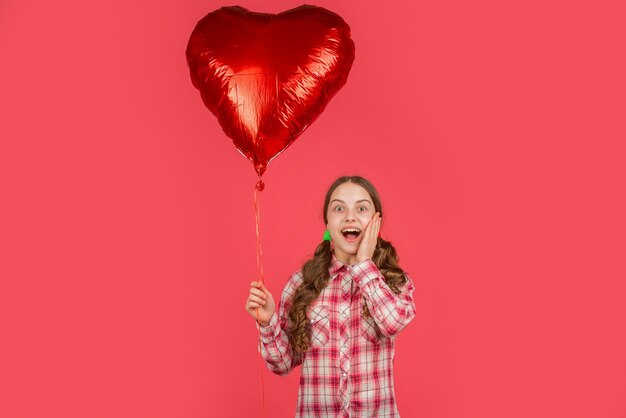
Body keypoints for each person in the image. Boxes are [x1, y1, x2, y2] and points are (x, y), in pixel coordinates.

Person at [245, 175, 416, 417]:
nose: (350, 216)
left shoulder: (393, 281)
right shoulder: (301, 283)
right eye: (338, 208)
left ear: (377, 221)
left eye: (362, 208)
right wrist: (267, 321)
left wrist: (364, 265)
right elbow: (282, 364)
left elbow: (392, 323)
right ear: (327, 223)